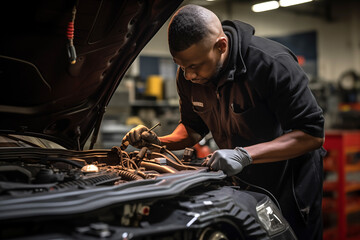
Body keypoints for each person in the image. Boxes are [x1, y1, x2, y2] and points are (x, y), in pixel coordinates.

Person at [121, 4, 326, 240]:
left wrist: (244, 155)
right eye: (182, 66)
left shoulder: (271, 63)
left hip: (290, 186)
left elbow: (312, 134)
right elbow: (192, 129)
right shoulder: (189, 75)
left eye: (194, 67)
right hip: (240, 183)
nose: (188, 76)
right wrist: (159, 141)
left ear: (221, 46)